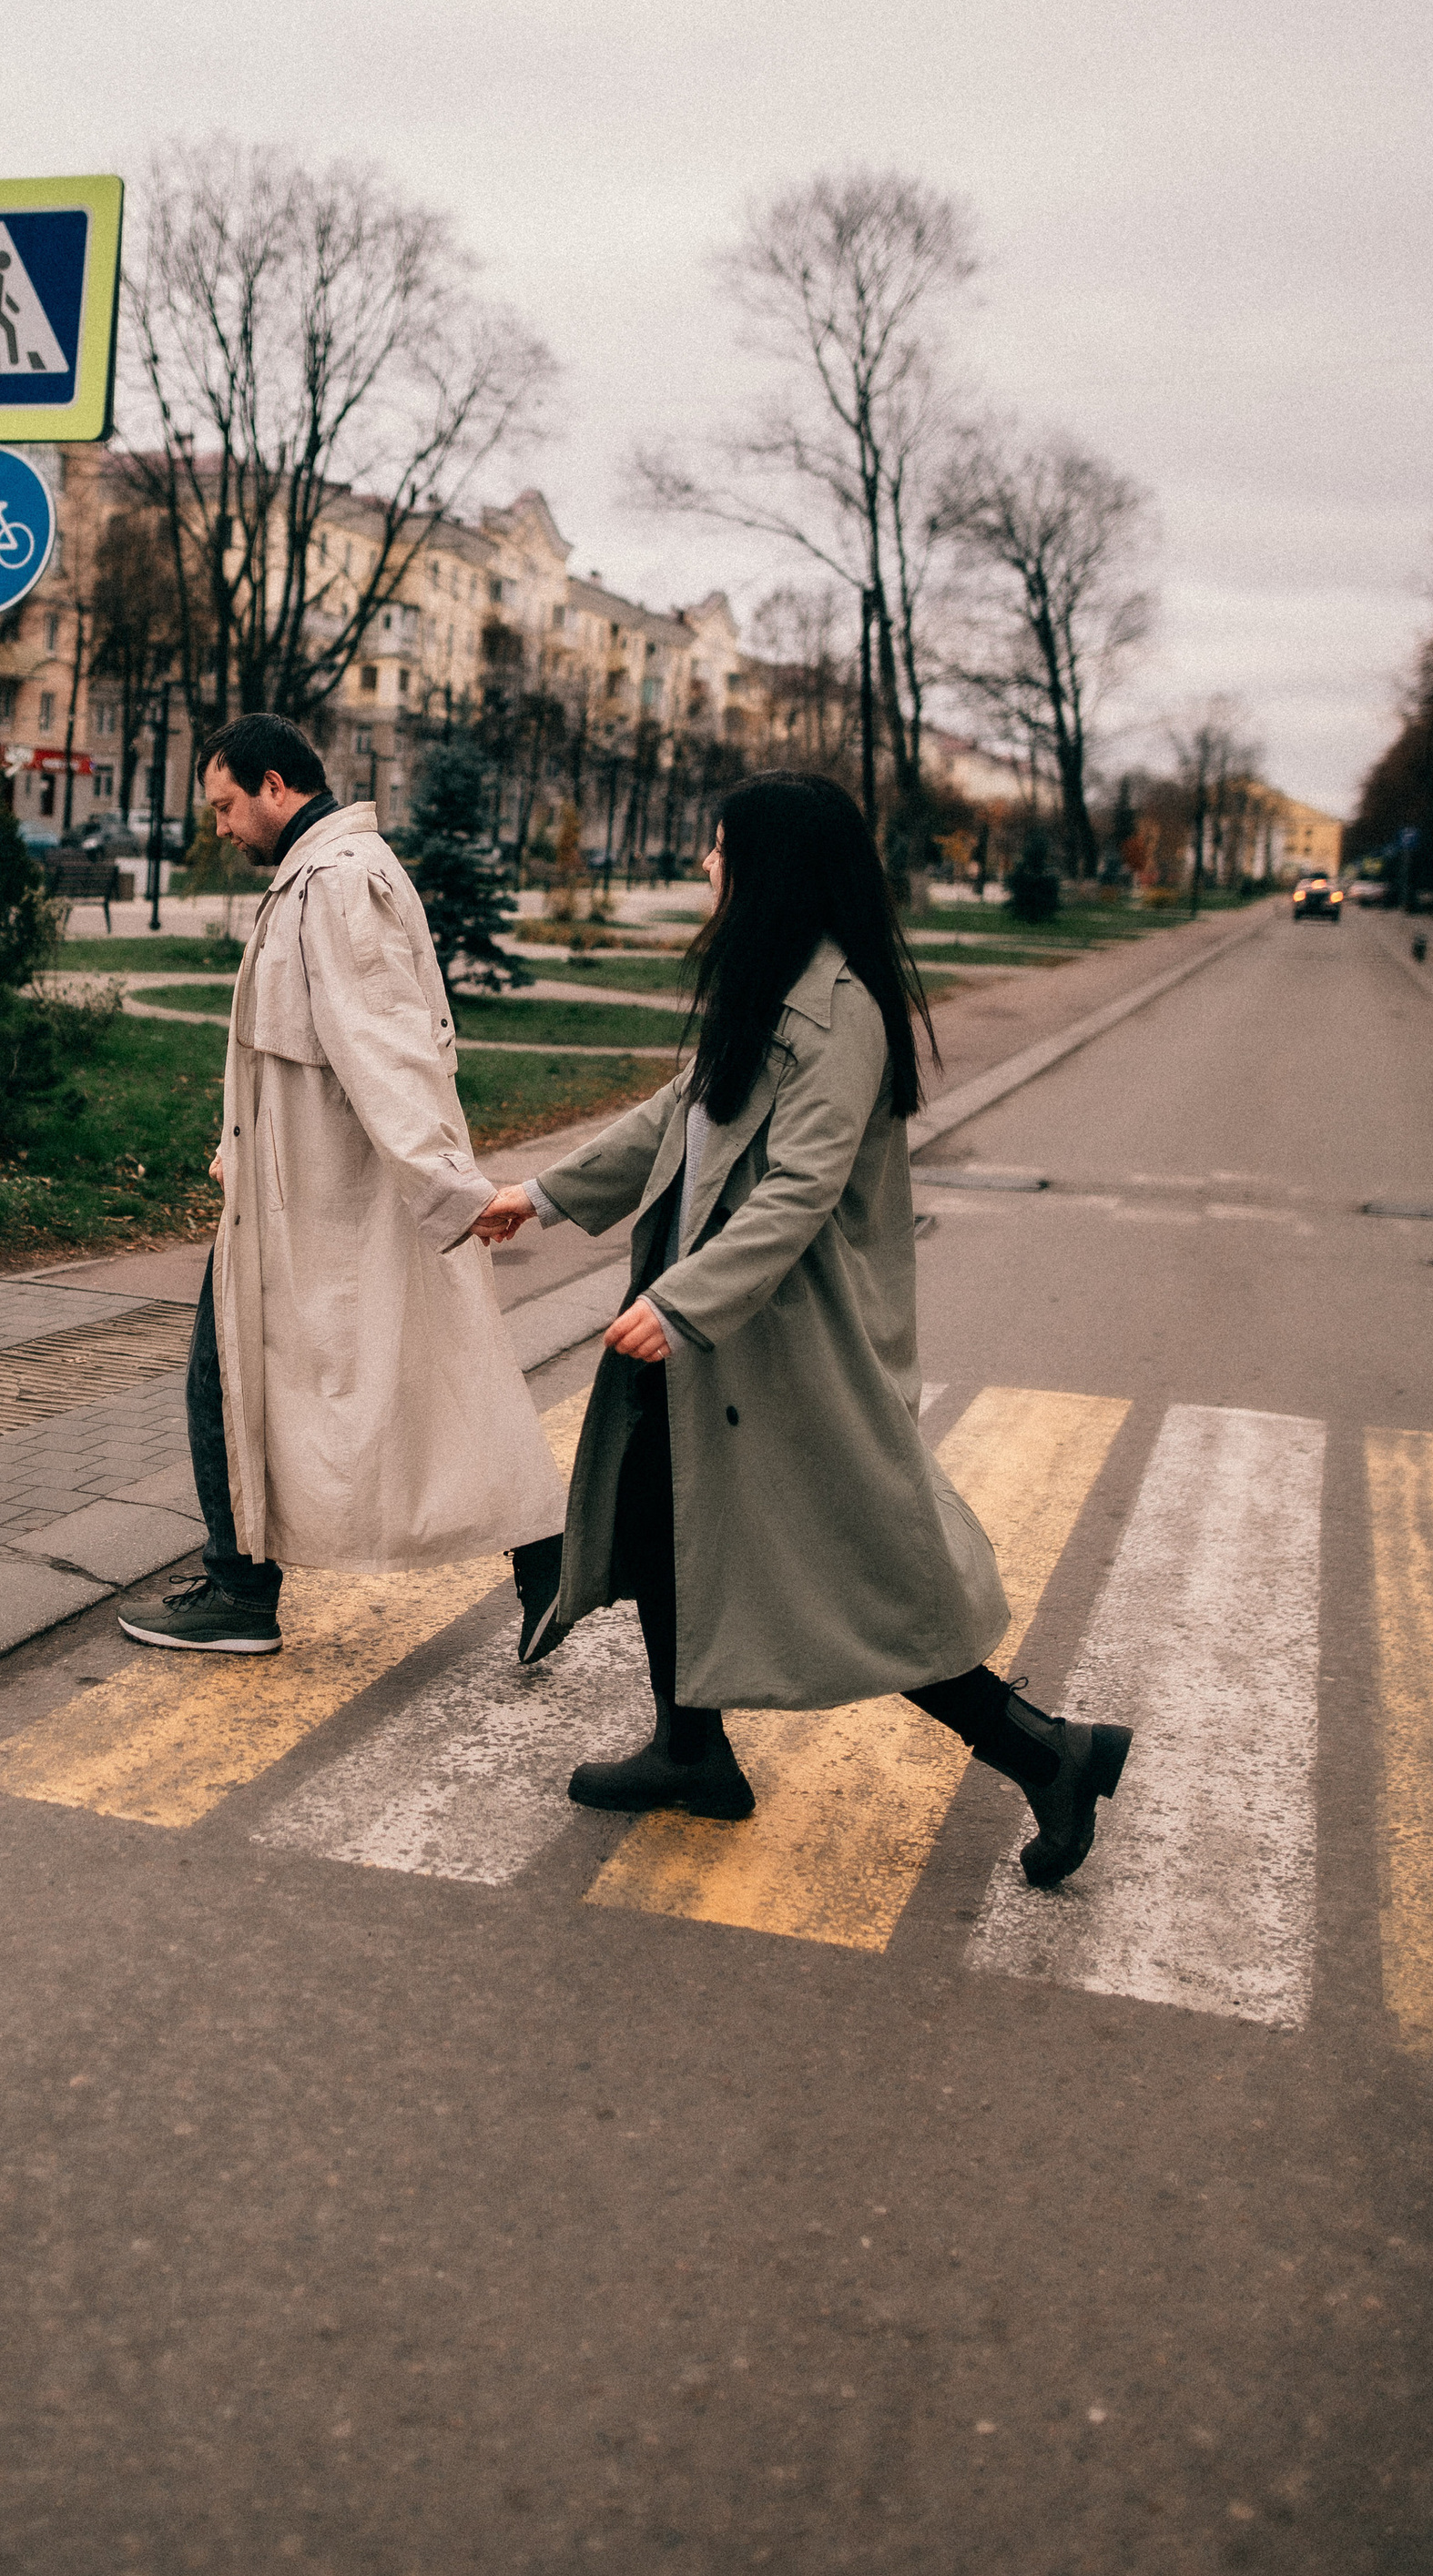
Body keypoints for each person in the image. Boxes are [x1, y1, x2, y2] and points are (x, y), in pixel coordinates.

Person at [473, 772, 1130, 1889]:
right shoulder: (769, 982)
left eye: (718, 846)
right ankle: (691, 1751)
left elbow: (798, 1190)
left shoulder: (840, 1011)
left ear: (766, 864)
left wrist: (680, 1304)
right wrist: (537, 1195)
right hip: (711, 1336)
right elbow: (676, 1115)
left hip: (783, 1345)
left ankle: (1046, 1751)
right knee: (659, 1522)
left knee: (848, 1577)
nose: (704, 865)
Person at [118, 714, 565, 1657]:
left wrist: (454, 1190)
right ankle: (545, 1554)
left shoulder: (336, 881)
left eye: (228, 804)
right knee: (434, 1376)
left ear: (276, 785)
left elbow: (385, 1046)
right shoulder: (320, 875)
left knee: (231, 1377)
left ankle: (242, 1594)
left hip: (334, 1198)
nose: (222, 825)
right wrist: (241, 1143)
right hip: (308, 1186)